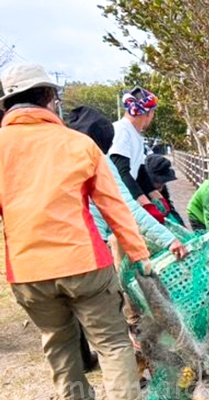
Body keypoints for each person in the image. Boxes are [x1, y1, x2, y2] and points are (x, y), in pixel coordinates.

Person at [0, 64, 151, 400]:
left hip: (28, 269)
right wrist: (138, 253)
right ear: (50, 99)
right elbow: (116, 207)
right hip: (84, 262)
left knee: (57, 339)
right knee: (113, 342)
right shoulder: (78, 144)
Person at [67, 106, 188, 372]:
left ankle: (84, 374)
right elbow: (127, 210)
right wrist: (169, 239)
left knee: (67, 325)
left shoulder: (53, 156)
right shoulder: (97, 159)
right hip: (93, 248)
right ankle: (137, 366)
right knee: (116, 319)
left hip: (49, 256)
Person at [108, 86, 167, 224]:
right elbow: (122, 172)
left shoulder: (135, 134)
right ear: (147, 113)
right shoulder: (121, 131)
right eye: (153, 112)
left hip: (126, 199)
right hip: (114, 199)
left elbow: (140, 172)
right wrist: (145, 204)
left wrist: (156, 196)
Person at [137, 154, 185, 226]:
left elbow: (170, 209)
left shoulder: (162, 191)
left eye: (164, 182)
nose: (161, 186)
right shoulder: (136, 190)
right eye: (157, 181)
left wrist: (182, 226)